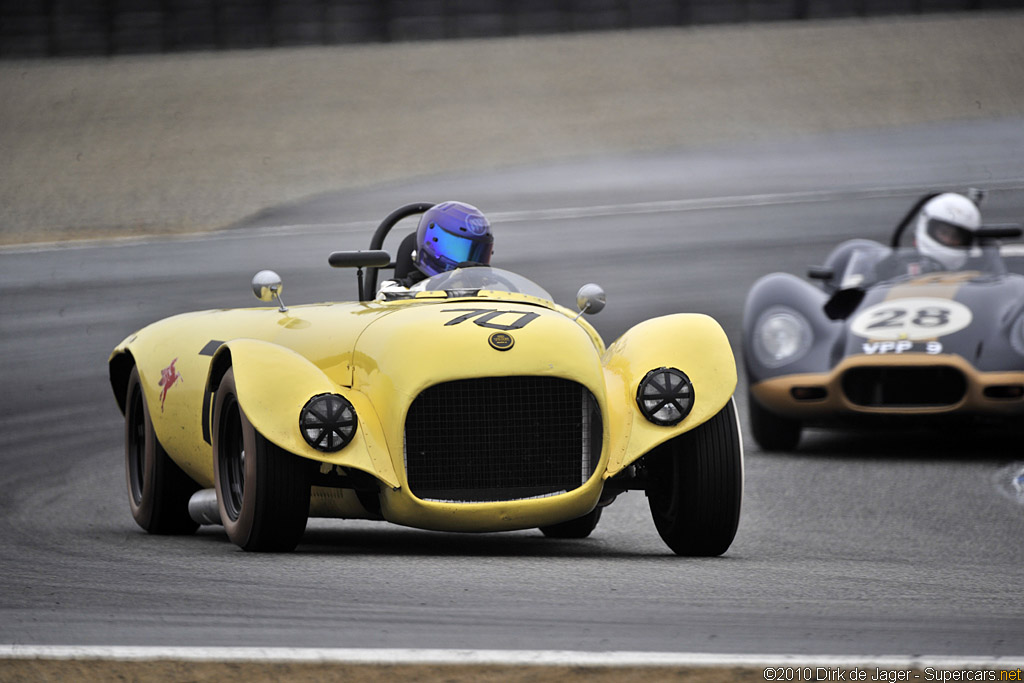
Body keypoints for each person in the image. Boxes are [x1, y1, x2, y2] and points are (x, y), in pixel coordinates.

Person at [377, 201, 494, 297]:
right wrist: (445, 285)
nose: (468, 264)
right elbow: (385, 298)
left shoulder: (490, 293)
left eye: (477, 255)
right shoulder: (393, 289)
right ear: (432, 243)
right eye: (457, 250)